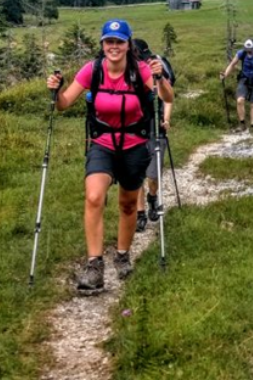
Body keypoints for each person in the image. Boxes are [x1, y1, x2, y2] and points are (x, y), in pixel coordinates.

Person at [46, 19, 173, 294]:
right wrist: (56, 91)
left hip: (134, 144)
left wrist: (160, 77)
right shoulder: (92, 70)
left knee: (128, 204)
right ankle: (94, 265)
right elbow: (64, 104)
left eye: (119, 42)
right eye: (109, 41)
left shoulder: (140, 70)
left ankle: (122, 255)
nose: (113, 47)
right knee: (94, 197)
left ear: (128, 45)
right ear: (102, 44)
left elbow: (167, 96)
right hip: (102, 143)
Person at [131, 38, 174, 233]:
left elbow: (168, 97)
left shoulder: (157, 68)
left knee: (152, 173)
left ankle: (152, 198)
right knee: (136, 174)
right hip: (133, 128)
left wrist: (166, 119)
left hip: (155, 125)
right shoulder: (126, 71)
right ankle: (140, 213)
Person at [221, 38, 253, 132]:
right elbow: (232, 64)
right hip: (244, 80)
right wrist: (225, 74)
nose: (248, 52)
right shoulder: (241, 53)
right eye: (247, 50)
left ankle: (252, 126)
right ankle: (242, 123)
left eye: (250, 50)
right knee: (240, 100)